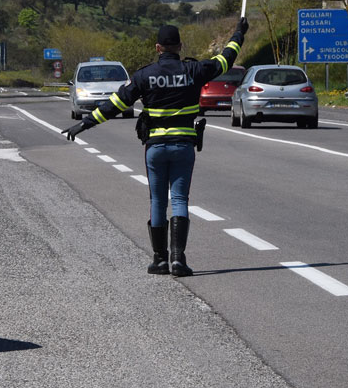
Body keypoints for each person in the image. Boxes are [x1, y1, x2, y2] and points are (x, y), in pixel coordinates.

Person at [62, 18, 248, 276]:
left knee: (158, 200)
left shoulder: (144, 75)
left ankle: (160, 260)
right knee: (180, 199)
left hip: (156, 148)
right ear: (180, 46)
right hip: (183, 146)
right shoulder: (194, 70)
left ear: (158, 47)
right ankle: (178, 260)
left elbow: (115, 104)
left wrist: (84, 124)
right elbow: (226, 59)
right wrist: (239, 33)